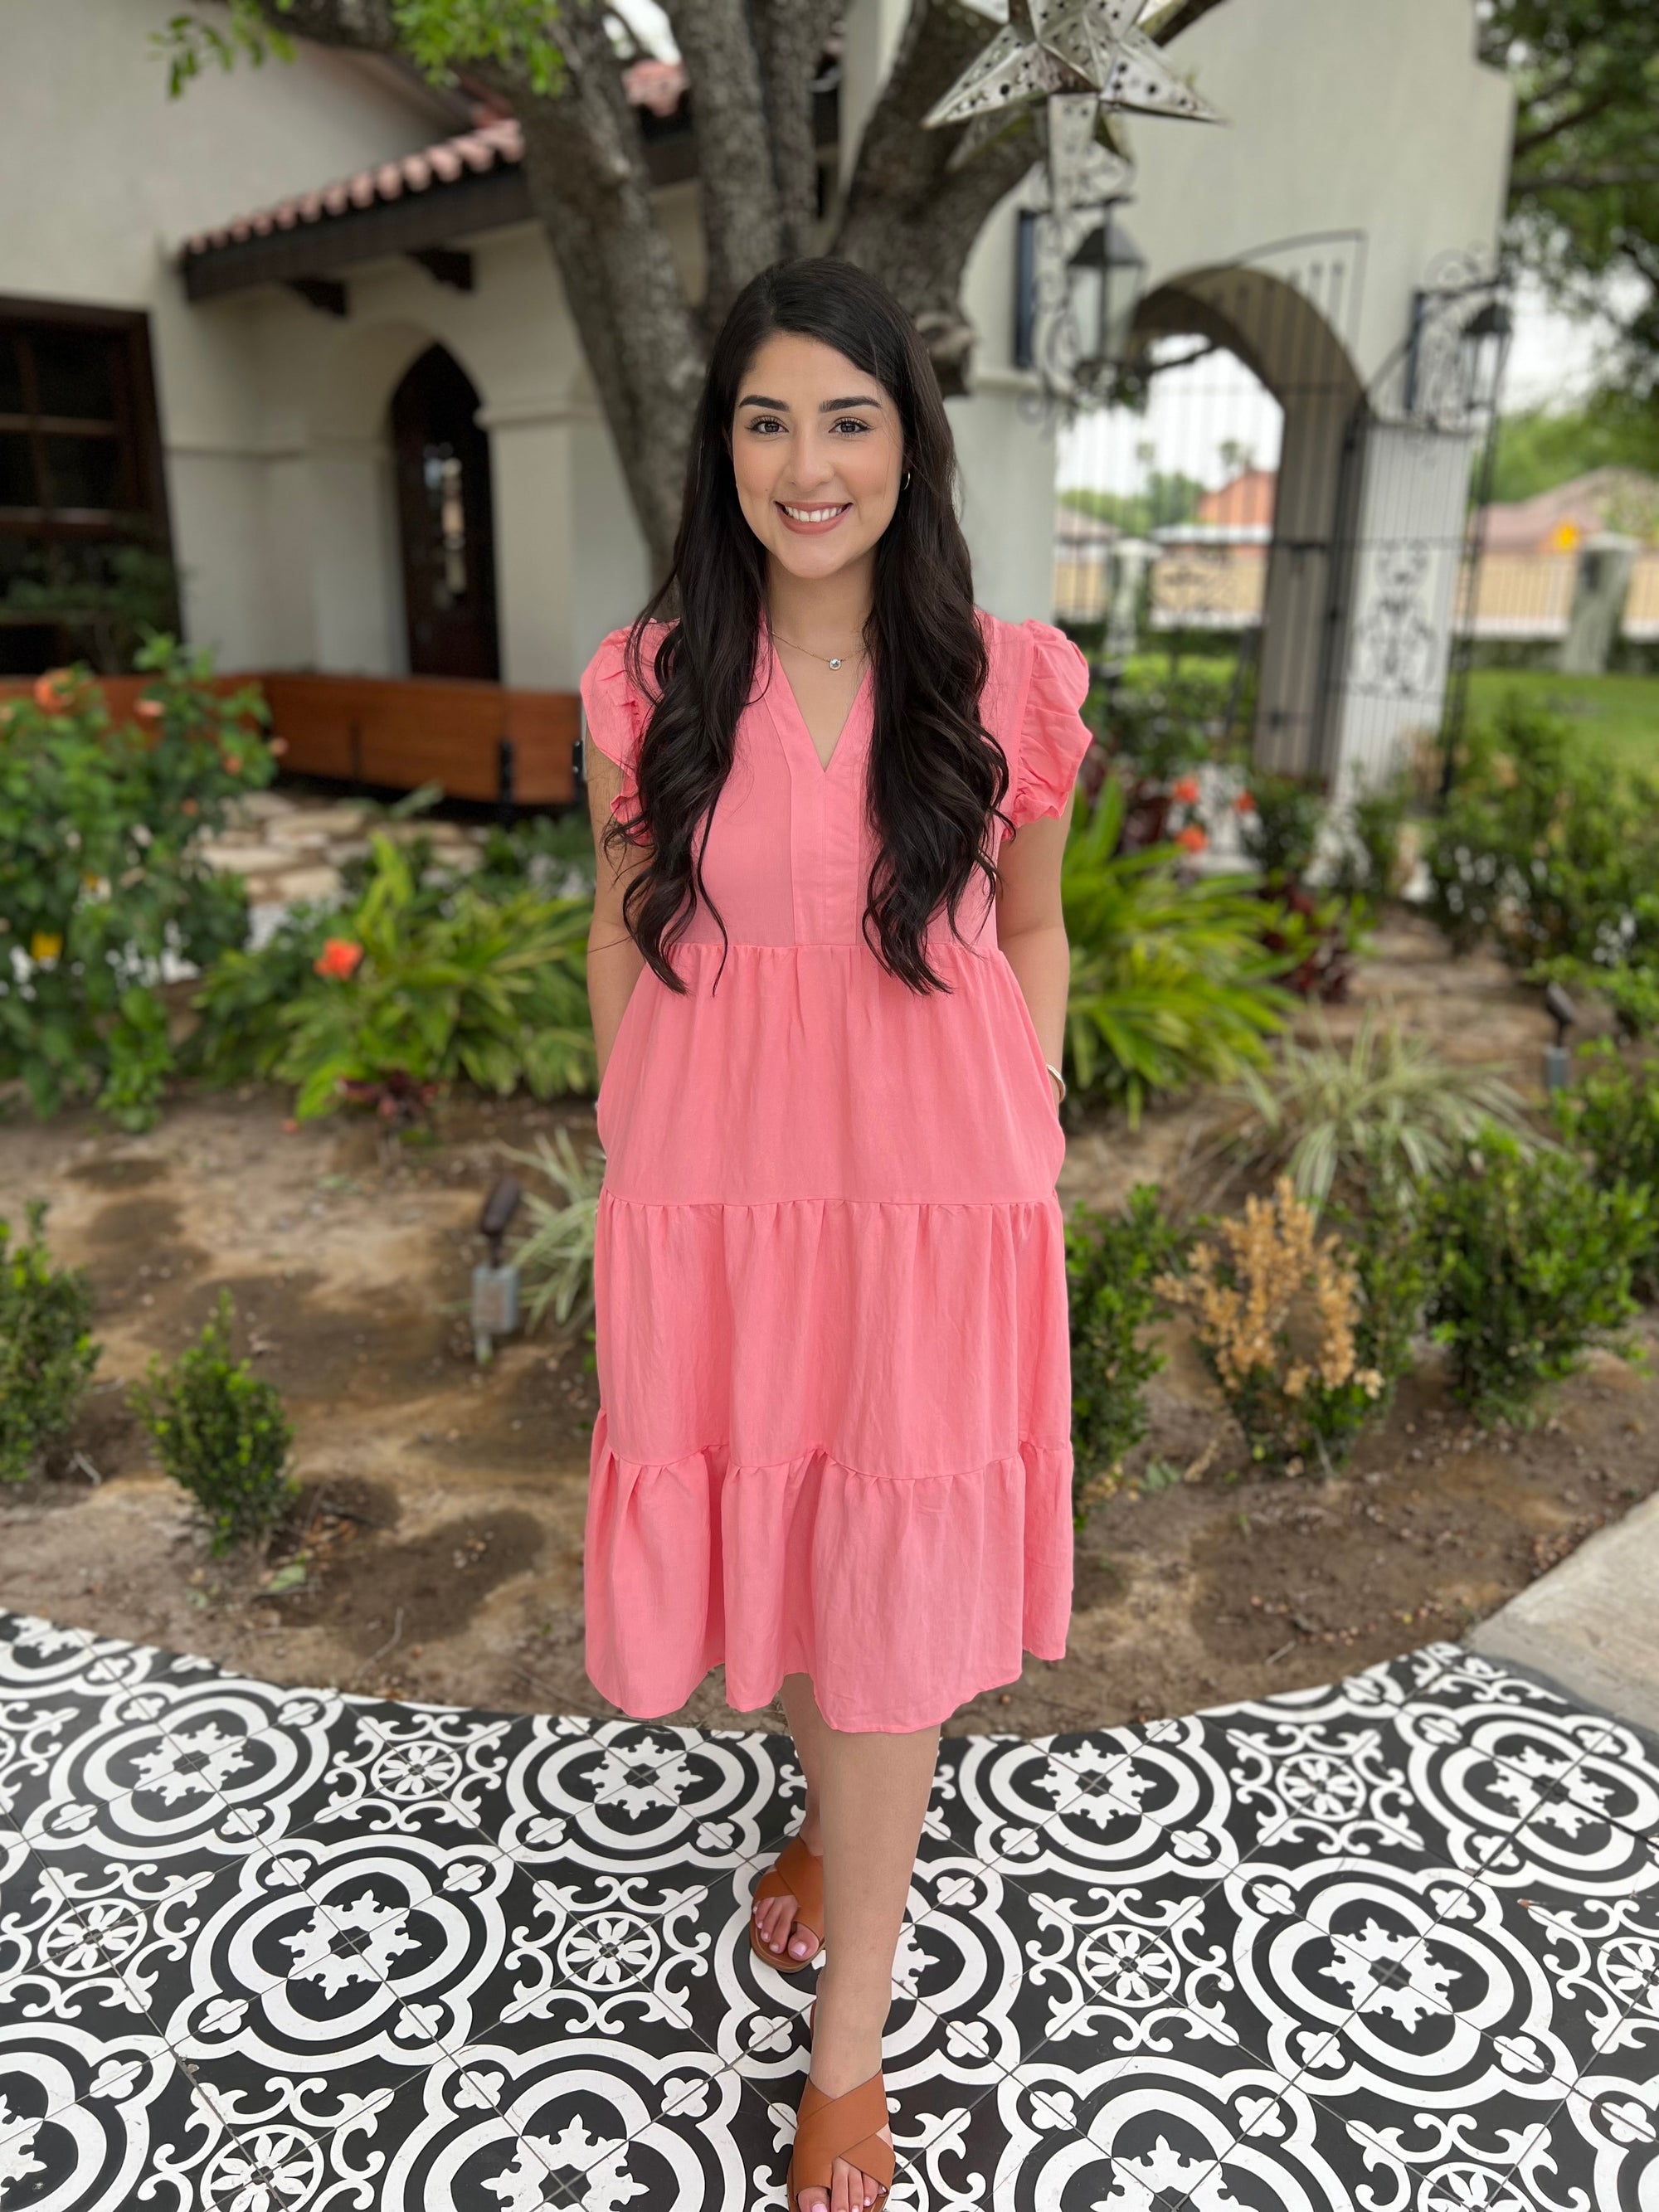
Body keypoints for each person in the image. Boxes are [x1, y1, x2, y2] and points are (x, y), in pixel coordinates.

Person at [580, 257, 1092, 2212]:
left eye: (849, 418)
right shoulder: (644, 682)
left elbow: (1030, 922)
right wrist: (634, 1140)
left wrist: (1024, 1128)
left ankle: (848, 2050)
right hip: (720, 1198)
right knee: (796, 1549)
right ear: (721, 450)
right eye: (768, 419)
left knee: (880, 1618)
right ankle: (819, 1834)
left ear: (909, 444)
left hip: (933, 1202)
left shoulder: (1011, 675)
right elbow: (623, 920)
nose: (808, 463)